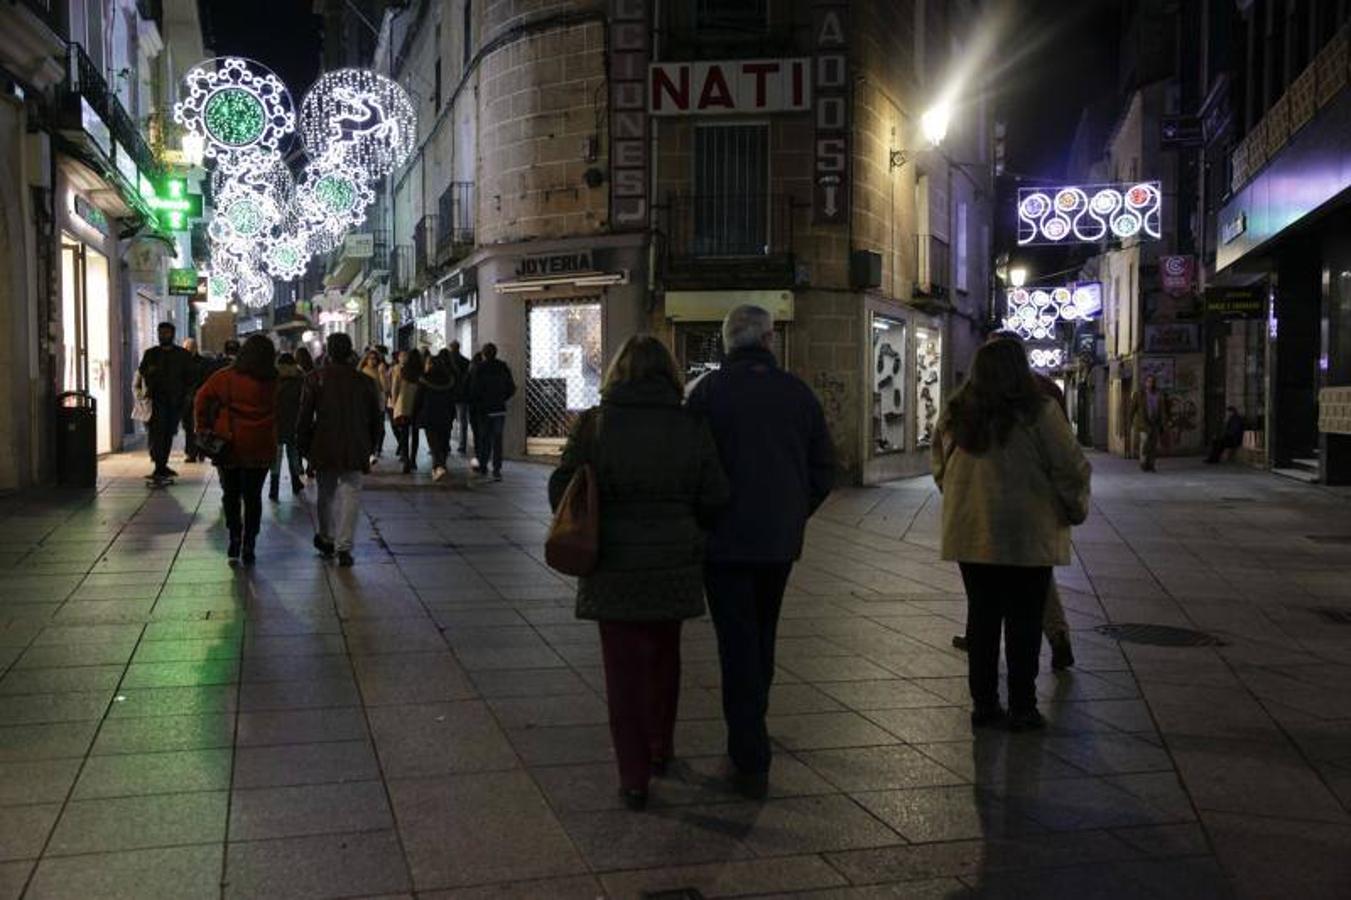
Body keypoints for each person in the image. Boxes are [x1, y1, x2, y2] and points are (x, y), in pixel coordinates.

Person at [549, 336, 729, 811]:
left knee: (621, 672)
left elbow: (561, 491)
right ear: (670, 375)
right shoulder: (691, 425)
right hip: (673, 562)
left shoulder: (594, 425)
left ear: (617, 373)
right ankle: (660, 749)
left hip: (613, 564)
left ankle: (633, 777)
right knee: (664, 660)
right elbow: (714, 495)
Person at [687, 305, 834, 800]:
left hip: (722, 541)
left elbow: (690, 468)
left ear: (728, 342)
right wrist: (795, 511)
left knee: (736, 641)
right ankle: (754, 725)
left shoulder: (706, 394)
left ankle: (748, 747)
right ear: (769, 340)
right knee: (763, 632)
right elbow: (824, 468)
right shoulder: (798, 394)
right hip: (777, 542)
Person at [932, 339, 1092, 732]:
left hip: (974, 534)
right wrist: (1074, 508)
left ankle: (984, 705)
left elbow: (940, 468)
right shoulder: (1041, 413)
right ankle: (1022, 706)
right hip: (1028, 534)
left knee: (982, 620)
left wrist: (965, 502)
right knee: (1024, 622)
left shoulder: (956, 413)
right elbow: (1070, 468)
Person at [296, 333, 384, 567]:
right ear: (350, 352)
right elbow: (375, 418)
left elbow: (304, 417)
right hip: (356, 444)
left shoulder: (315, 378)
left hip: (324, 443)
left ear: (328, 351)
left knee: (325, 494)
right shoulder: (364, 381)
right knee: (351, 493)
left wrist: (304, 447)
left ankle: (327, 537)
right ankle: (344, 546)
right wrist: (372, 445)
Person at [194, 335, 279, 564]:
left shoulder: (225, 377)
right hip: (260, 445)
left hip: (229, 445)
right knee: (253, 497)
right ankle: (250, 542)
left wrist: (202, 427)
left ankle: (234, 536)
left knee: (231, 494)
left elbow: (201, 398)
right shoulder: (273, 380)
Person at [138, 322, 195, 483]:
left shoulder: (182, 355)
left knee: (169, 432)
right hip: (156, 400)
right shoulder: (151, 353)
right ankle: (159, 465)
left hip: (175, 400)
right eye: (160, 333)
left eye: (166, 333)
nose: (163, 336)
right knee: (157, 433)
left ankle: (162, 464)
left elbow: (190, 376)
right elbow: (143, 370)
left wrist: (187, 395)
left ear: (172, 334)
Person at [466, 343, 516, 480]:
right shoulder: (502, 367)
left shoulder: (479, 368)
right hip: (499, 409)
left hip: (484, 409)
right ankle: (497, 469)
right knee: (497, 440)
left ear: (484, 354)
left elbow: (474, 390)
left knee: (484, 438)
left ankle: (483, 466)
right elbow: (511, 387)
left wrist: (477, 404)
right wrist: (502, 398)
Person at [269, 352, 306, 501]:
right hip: (294, 423)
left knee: (276, 458)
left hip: (277, 424)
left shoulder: (273, 381)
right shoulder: (301, 380)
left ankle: (274, 487)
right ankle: (295, 482)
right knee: (293, 455)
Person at [417, 354, 458, 481]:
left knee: (433, 442)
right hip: (446, 414)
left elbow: (419, 398)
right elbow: (454, 397)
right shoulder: (449, 379)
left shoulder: (424, 379)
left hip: (430, 414)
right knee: (444, 440)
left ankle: (438, 466)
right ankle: (442, 465)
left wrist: (417, 413)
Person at [391, 349, 424, 473]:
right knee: (415, 434)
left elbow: (395, 387)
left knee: (404, 433)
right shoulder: (421, 372)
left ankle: (405, 460)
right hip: (417, 406)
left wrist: (394, 404)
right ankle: (413, 460)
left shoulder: (402, 370)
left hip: (404, 404)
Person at [1130, 374, 1170, 472]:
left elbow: (1163, 410)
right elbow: (1132, 409)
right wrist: (1130, 421)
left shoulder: (1159, 395)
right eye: (1149, 382)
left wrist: (1164, 422)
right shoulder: (1139, 394)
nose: (1151, 384)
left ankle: (1151, 465)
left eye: (1152, 382)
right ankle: (1143, 463)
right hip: (1144, 424)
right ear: (1145, 383)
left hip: (1155, 423)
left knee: (1153, 445)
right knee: (1145, 442)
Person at [180, 338, 207, 463]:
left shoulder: (202, 363)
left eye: (189, 348)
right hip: (187, 400)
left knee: (197, 426)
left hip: (198, 399)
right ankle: (193, 452)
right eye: (185, 348)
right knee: (188, 427)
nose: (187, 350)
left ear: (195, 348)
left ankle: (198, 451)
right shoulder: (180, 363)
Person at [359, 349, 389, 458]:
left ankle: (377, 448)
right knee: (367, 427)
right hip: (365, 403)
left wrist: (381, 373)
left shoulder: (380, 370)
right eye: (370, 358)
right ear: (366, 359)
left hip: (378, 401)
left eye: (375, 358)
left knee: (379, 426)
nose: (373, 361)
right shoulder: (362, 371)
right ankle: (370, 450)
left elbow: (385, 388)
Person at [446, 341, 472, 454]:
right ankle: (462, 445)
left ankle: (446, 445)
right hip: (463, 395)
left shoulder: (446, 363)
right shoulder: (466, 362)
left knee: (447, 421)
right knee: (463, 422)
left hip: (449, 395)